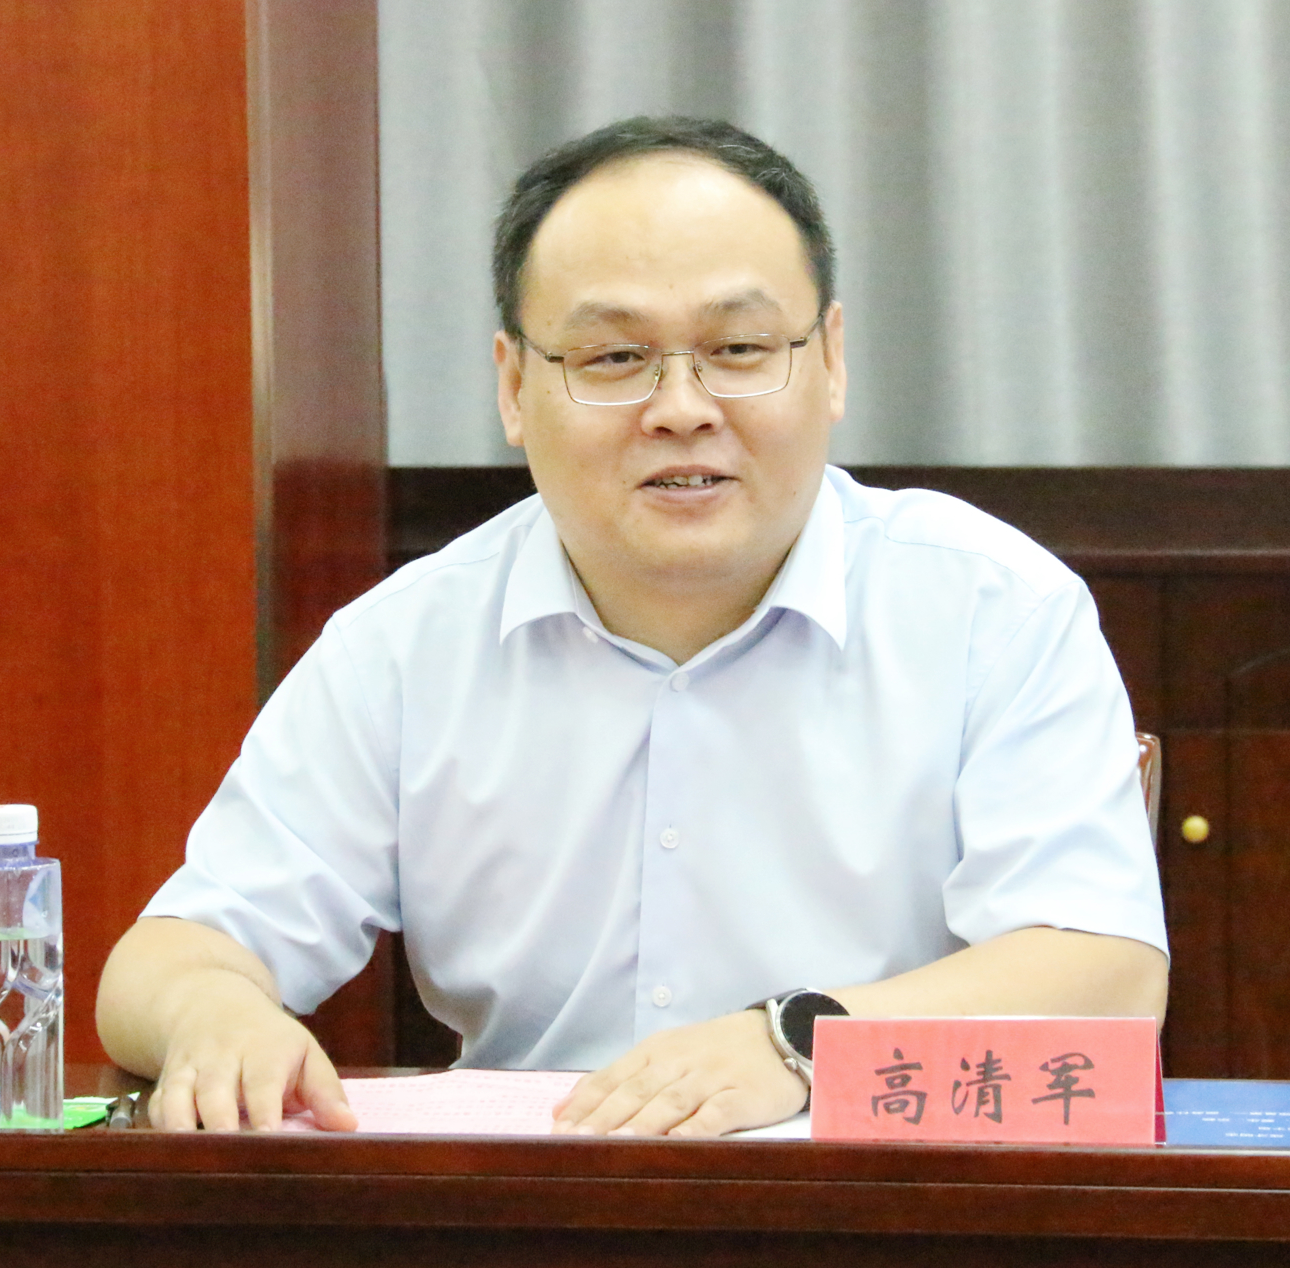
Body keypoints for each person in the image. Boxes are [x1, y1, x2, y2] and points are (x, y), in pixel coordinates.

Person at [95, 115, 1168, 1138]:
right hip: (538, 1212)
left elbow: (1107, 977)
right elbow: (170, 956)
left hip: (884, 1209)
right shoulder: (407, 644)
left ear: (831, 361)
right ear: (514, 387)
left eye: (739, 348)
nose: (682, 408)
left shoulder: (992, 609)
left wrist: (797, 1041)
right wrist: (212, 1015)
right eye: (614, 359)